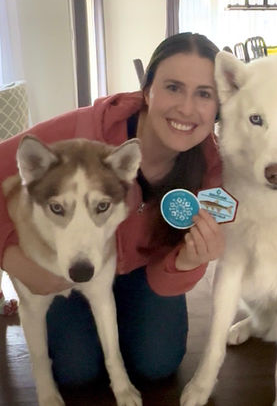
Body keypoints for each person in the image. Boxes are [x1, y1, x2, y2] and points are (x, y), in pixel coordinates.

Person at [0, 32, 224, 386]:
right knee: (76, 373)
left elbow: (172, 280)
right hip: (70, 267)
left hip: (147, 271)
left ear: (219, 106)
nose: (186, 107)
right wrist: (13, 259)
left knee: (157, 364)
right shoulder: (78, 132)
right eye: (172, 87)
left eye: (204, 94)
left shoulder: (213, 172)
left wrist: (190, 262)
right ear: (147, 90)